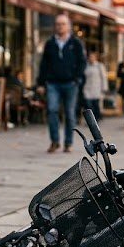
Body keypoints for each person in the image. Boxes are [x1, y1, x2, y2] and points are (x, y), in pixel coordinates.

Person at [36, 14, 85, 152]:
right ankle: (55, 141)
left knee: (70, 113)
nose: (60, 26)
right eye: (57, 24)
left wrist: (77, 78)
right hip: (53, 83)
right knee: (52, 111)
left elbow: (82, 62)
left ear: (68, 26)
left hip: (71, 83)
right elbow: (43, 64)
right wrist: (40, 83)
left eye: (63, 24)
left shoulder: (76, 43)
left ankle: (68, 143)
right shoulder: (50, 43)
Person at [82, 51, 108, 121]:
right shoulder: (85, 66)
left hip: (97, 88)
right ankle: (90, 120)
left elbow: (103, 77)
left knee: (96, 105)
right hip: (87, 88)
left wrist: (104, 88)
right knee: (88, 105)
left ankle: (96, 119)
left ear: (95, 58)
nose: (91, 58)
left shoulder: (100, 66)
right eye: (90, 57)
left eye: (92, 57)